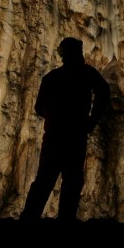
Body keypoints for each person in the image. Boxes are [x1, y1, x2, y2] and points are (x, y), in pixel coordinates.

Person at [20, 37, 110, 221]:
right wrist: (91, 119)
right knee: (72, 181)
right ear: (78, 52)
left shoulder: (51, 78)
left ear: (62, 54)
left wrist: (55, 118)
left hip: (54, 137)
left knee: (45, 179)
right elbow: (104, 91)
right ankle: (66, 221)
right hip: (75, 137)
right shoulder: (87, 74)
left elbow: (38, 108)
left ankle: (29, 218)